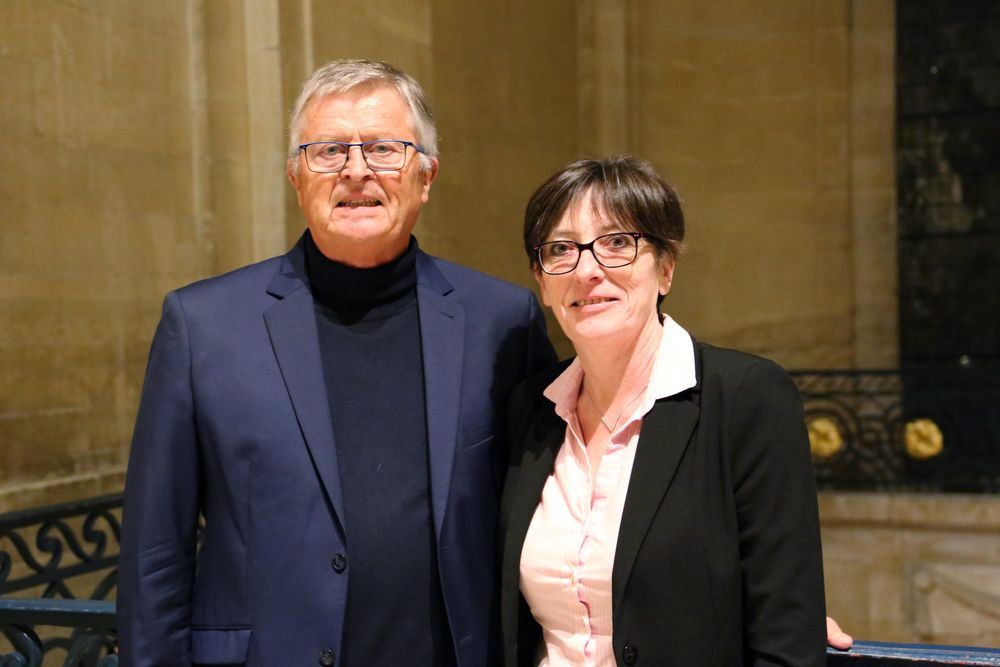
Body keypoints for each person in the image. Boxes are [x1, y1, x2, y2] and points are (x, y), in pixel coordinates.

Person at [118, 59, 555, 667]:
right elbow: (155, 553)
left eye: (383, 148)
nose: (355, 170)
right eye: (327, 151)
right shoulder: (202, 327)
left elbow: (555, 511)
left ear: (426, 175)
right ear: (296, 176)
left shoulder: (504, 321)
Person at [500, 156, 828, 665]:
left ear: (666, 268)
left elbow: (787, 633)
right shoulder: (530, 408)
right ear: (543, 283)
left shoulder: (746, 398)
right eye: (560, 249)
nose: (587, 269)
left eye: (616, 243)